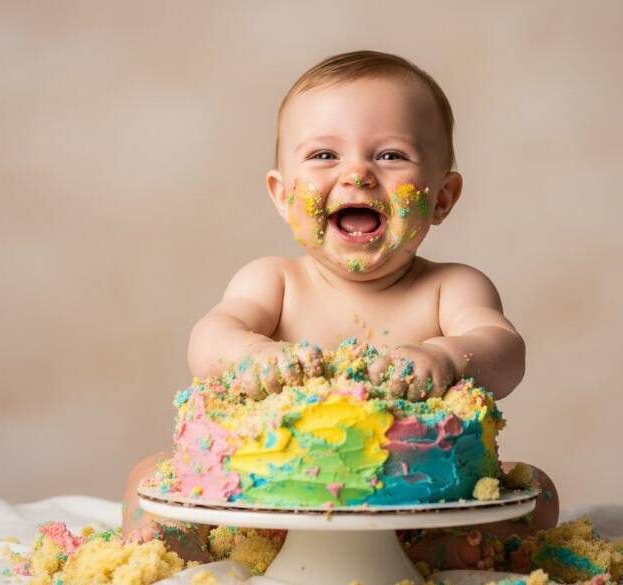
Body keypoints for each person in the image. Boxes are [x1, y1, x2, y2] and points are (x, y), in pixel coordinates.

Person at [122, 49, 559, 571]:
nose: (358, 174)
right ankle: (167, 547)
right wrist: (250, 353)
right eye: (324, 156)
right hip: (262, 499)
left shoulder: (450, 287)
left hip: (414, 502)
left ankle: (438, 550)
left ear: (442, 197)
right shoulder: (274, 281)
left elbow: (505, 349)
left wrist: (444, 356)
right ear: (283, 197)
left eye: (391, 155)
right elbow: (210, 336)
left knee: (536, 487)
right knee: (147, 472)